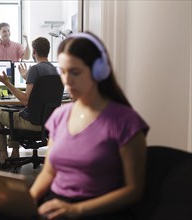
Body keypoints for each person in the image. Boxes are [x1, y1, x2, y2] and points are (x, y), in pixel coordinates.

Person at [29, 32, 150, 220]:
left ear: (99, 71)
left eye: (75, 72)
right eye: (63, 71)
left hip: (96, 210)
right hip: (55, 204)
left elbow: (133, 190)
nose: (67, 81)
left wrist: (76, 210)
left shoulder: (125, 121)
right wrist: (26, 201)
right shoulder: (60, 116)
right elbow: (49, 171)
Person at [0, 37, 57, 168]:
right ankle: (15, 153)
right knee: (16, 111)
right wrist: (27, 77)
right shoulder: (54, 70)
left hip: (31, 122)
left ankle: (2, 155)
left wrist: (6, 83)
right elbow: (40, 93)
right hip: (47, 123)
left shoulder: (35, 69)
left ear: (34, 51)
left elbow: (25, 100)